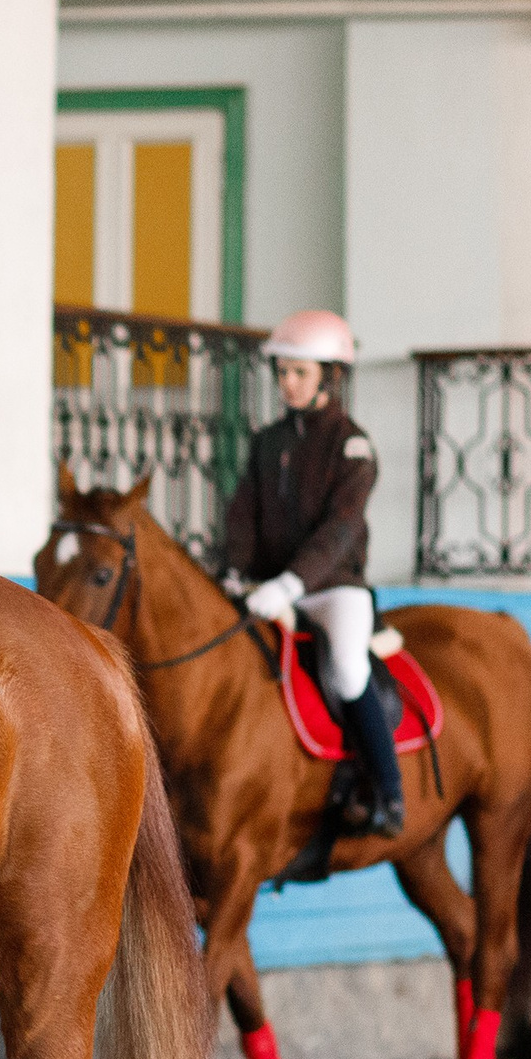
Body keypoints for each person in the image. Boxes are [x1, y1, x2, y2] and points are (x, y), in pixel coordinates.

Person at [219, 309, 402, 838]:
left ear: (331, 376)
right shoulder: (267, 442)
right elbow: (243, 515)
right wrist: (232, 571)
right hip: (268, 589)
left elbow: (340, 530)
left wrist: (291, 583)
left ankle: (389, 792)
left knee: (347, 667)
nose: (288, 383)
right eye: (282, 372)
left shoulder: (353, 447)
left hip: (333, 588)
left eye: (300, 372)